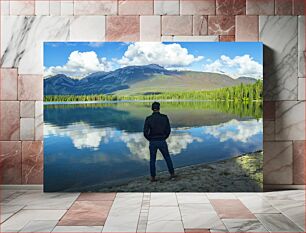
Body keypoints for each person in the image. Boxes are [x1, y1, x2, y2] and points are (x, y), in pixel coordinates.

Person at [143, 102, 176, 182]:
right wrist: (164, 137)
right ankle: (172, 174)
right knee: (167, 157)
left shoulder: (148, 119)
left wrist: (150, 139)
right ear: (159, 108)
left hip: (153, 142)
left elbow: (145, 132)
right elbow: (168, 130)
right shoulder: (164, 117)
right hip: (162, 140)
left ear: (152, 108)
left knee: (152, 160)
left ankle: (153, 177)